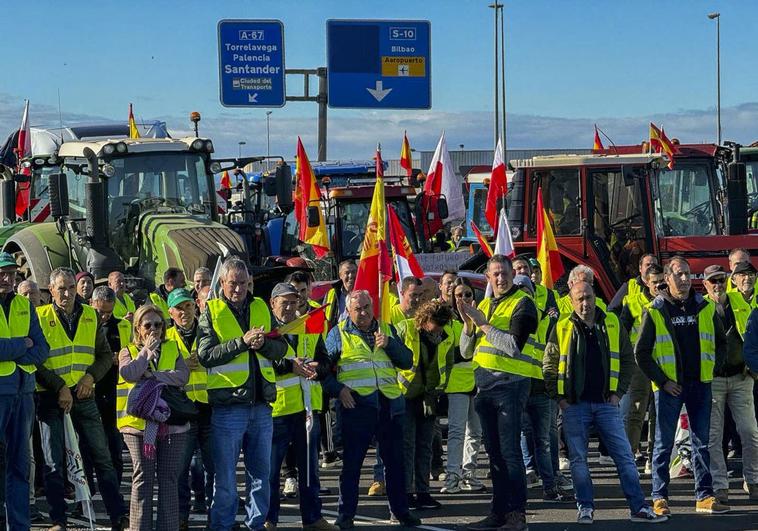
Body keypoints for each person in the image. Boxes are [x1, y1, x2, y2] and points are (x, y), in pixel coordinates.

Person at [543, 281, 666, 524]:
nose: (585, 303)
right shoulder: (562, 326)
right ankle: (585, 507)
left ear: (595, 296)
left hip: (606, 404)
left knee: (624, 456)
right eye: (579, 299)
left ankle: (638, 507)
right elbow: (548, 364)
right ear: (571, 300)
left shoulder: (611, 322)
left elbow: (628, 360)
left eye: (588, 297)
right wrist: (559, 399)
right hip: (574, 405)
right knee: (578, 460)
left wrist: (617, 394)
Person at [198, 257, 288, 531]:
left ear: (249, 282)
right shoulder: (211, 311)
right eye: (232, 284)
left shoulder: (261, 306)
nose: (238, 289)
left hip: (261, 406)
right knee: (225, 478)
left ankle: (255, 524)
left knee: (261, 475)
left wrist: (262, 345)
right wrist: (242, 343)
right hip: (228, 408)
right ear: (222, 283)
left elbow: (281, 348)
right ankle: (222, 526)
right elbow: (205, 355)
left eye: (243, 283)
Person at [35, 267, 128, 531]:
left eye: (70, 288)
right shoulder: (40, 317)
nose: (66, 293)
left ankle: (117, 515)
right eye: (61, 288)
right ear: (51, 290)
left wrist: (90, 378)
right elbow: (37, 362)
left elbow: (104, 355)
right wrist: (59, 387)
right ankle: (58, 520)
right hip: (51, 398)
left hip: (84, 395)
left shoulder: (89, 314)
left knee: (102, 457)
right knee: (54, 462)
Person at [635, 256, 729, 515]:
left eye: (688, 274)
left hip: (700, 384)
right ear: (667, 279)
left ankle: (704, 495)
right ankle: (659, 496)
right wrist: (663, 381)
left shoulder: (705, 307)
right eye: (679, 274)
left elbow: (722, 344)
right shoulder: (654, 310)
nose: (686, 279)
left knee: (702, 443)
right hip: (669, 389)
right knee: (663, 444)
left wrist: (713, 368)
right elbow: (641, 353)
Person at [324, 290, 420, 529]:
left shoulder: (386, 329)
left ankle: (400, 512)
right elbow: (323, 369)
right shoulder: (339, 333)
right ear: (349, 311)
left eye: (367, 307)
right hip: (356, 407)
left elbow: (407, 360)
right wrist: (338, 390)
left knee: (395, 465)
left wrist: (389, 345)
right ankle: (345, 516)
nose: (364, 313)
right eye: (358, 309)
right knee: (352, 466)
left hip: (390, 406)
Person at [458, 255, 538, 531]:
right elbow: (465, 351)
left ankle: (517, 515)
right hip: (485, 388)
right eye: (495, 274)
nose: (500, 278)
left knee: (510, 452)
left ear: (512, 275)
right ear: (488, 278)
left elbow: (513, 346)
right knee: (493, 454)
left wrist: (482, 324)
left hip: (511, 386)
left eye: (504, 273)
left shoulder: (523, 303)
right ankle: (499, 512)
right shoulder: (483, 304)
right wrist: (468, 326)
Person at [265, 283, 337, 531]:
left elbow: (327, 361)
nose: (289, 307)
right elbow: (263, 365)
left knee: (310, 470)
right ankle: (269, 519)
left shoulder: (308, 326)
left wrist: (320, 368)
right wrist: (289, 366)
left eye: (294, 302)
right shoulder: (266, 330)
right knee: (271, 471)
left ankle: (313, 518)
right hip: (277, 409)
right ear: (273, 303)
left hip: (307, 409)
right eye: (284, 302)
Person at [118, 304, 190, 531]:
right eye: (148, 325)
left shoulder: (172, 348)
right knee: (142, 479)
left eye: (158, 325)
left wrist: (154, 376)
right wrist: (145, 353)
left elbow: (182, 376)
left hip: (171, 425)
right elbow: (128, 373)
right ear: (138, 328)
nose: (154, 330)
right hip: (138, 427)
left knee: (169, 479)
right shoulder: (128, 351)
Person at [512, 274, 572, 502]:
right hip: (517, 385)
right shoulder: (509, 316)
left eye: (525, 289)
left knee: (545, 439)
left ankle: (550, 485)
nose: (521, 293)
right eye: (517, 289)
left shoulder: (545, 318)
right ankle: (523, 487)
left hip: (539, 386)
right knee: (520, 438)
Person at [0, 252, 48, 530]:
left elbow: (41, 348)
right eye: (2, 274)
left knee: (20, 465)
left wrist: (14, 350)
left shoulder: (24, 305)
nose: (7, 278)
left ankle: (19, 525)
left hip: (24, 393)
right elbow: (27, 345)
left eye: (11, 274)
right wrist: (21, 346)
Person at [396, 300, 454, 511]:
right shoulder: (405, 327)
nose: (438, 327)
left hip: (429, 396)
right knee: (407, 446)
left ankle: (423, 492)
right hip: (405, 396)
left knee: (425, 446)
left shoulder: (446, 335)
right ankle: (406, 492)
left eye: (442, 323)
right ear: (425, 317)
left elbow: (447, 363)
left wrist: (438, 391)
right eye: (435, 323)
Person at [165, 288, 214, 529]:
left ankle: (216, 516)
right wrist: (181, 366)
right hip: (181, 410)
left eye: (187, 306)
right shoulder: (165, 339)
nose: (184, 312)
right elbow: (159, 374)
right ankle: (181, 517)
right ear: (170, 312)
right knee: (180, 468)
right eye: (178, 308)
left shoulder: (208, 332)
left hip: (208, 406)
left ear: (195, 307)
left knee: (214, 465)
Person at [712, 262, 758, 500]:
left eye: (750, 274)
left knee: (750, 432)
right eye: (714, 281)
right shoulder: (704, 306)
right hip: (715, 379)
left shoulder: (744, 302)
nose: (718, 286)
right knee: (715, 435)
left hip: (742, 376)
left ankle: (753, 480)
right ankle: (719, 485)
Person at [618, 263, 665, 463]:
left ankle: (654, 457)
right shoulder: (632, 302)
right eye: (654, 282)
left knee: (658, 414)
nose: (658, 286)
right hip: (639, 365)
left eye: (662, 282)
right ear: (646, 282)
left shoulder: (669, 302)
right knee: (635, 411)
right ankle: (630, 455)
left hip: (663, 363)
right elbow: (622, 334)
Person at [440, 278, 483, 495]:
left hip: (477, 380)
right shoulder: (446, 319)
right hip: (456, 382)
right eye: (459, 294)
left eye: (467, 294)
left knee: (475, 432)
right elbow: (456, 352)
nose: (463, 298)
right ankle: (452, 476)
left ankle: (469, 473)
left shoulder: (480, 317)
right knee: (457, 432)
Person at [90, 286, 132, 486]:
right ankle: (86, 495)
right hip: (90, 391)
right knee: (89, 446)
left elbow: (133, 353)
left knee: (115, 444)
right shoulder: (84, 324)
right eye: (100, 312)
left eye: (109, 312)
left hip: (117, 394)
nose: (105, 317)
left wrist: (122, 358)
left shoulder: (123, 326)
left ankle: (114, 487)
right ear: (92, 304)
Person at [325, 260, 357, 329]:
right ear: (340, 275)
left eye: (354, 272)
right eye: (347, 273)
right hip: (336, 336)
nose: (351, 275)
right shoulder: (331, 294)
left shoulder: (364, 294)